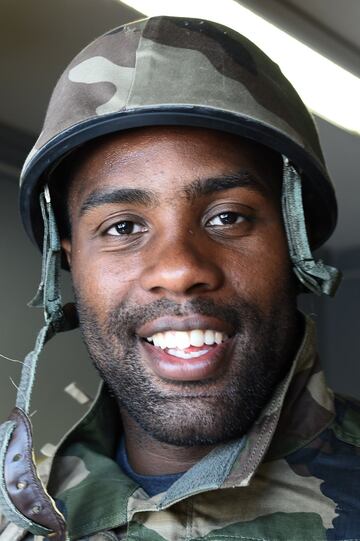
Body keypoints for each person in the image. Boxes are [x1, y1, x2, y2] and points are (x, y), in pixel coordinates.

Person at [0, 15, 359, 541]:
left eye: (228, 217)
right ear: (71, 260)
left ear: (295, 245)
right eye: (122, 226)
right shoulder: (17, 521)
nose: (180, 269)